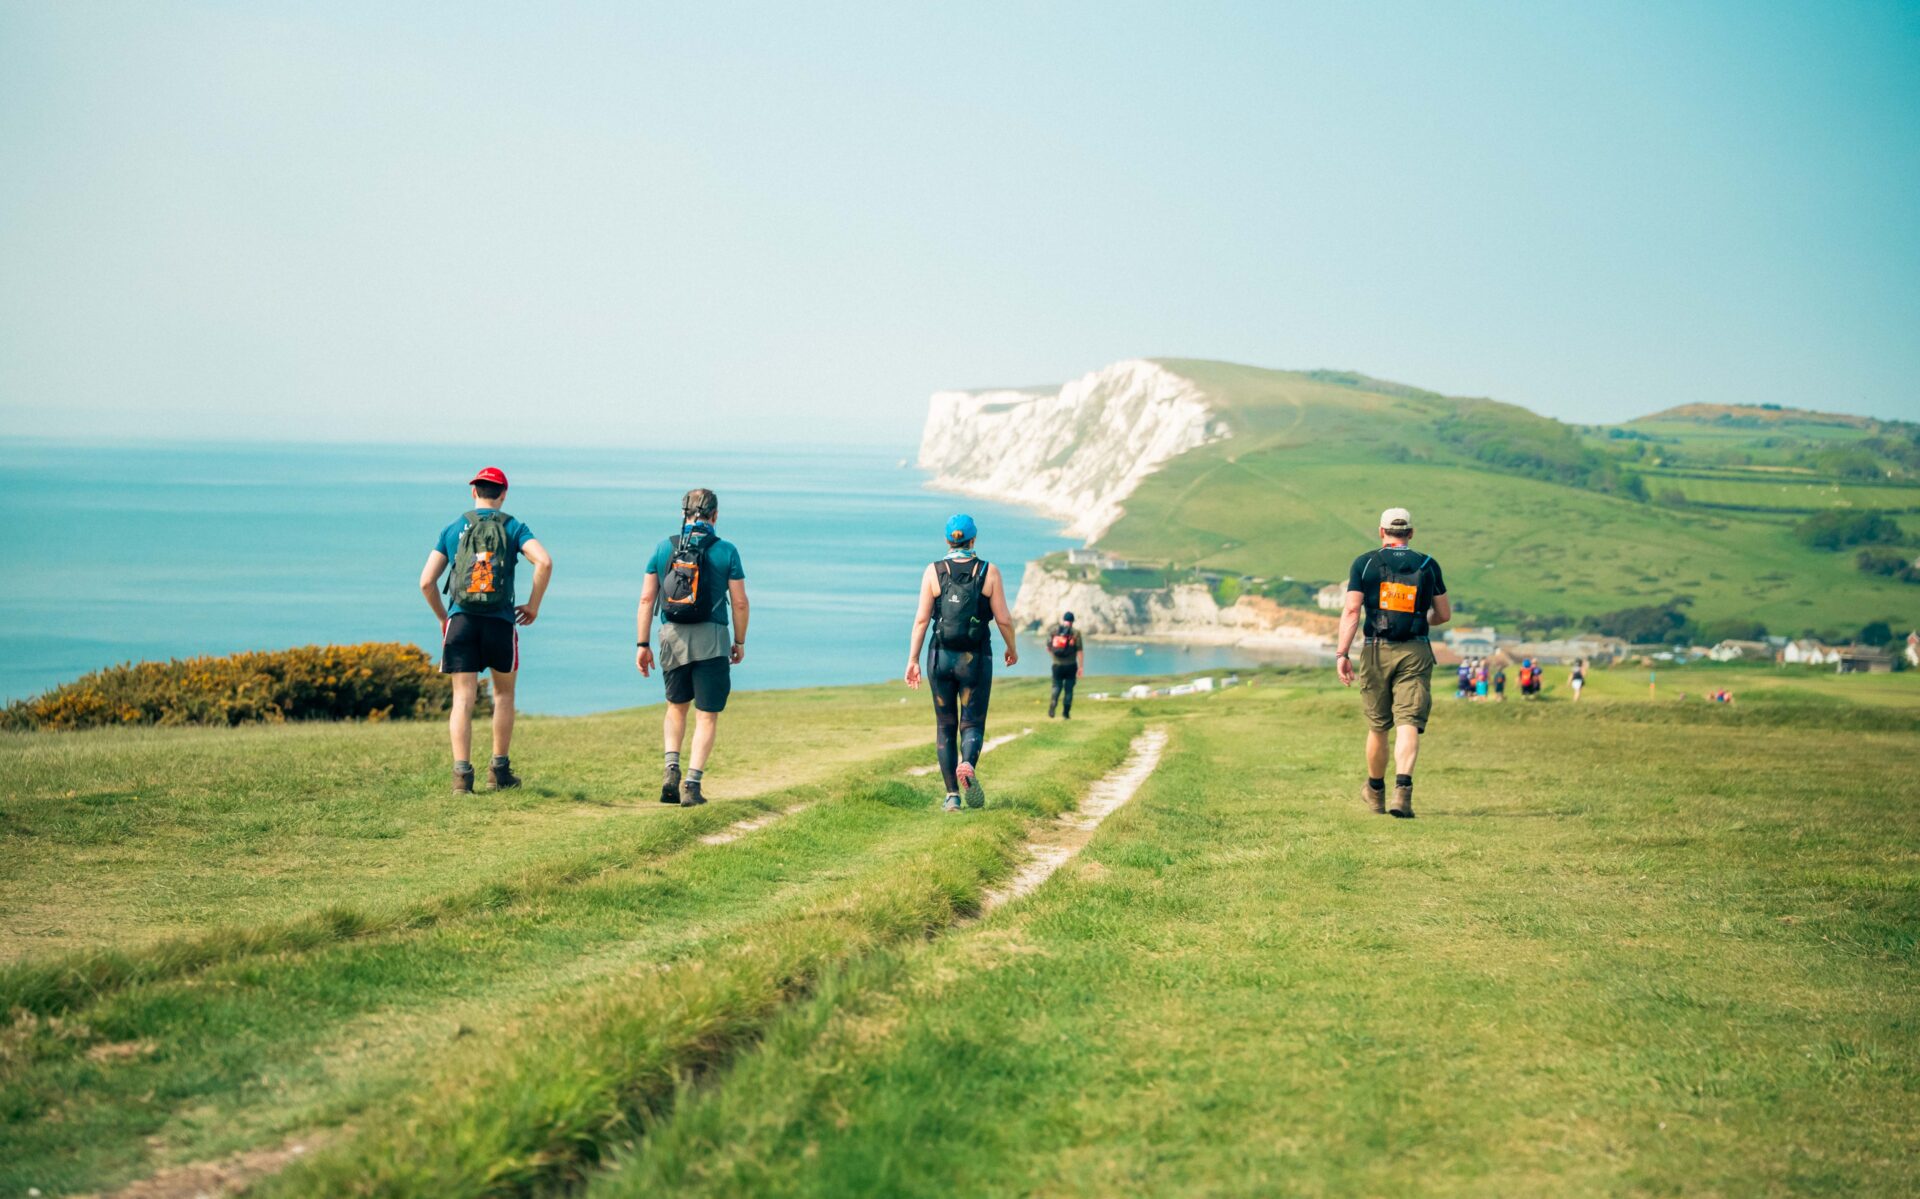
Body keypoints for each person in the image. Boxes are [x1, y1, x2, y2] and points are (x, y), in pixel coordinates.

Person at [419, 466, 553, 794]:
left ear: (473, 492)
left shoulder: (453, 529)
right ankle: (499, 771)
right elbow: (545, 562)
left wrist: (443, 618)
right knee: (504, 695)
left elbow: (426, 583)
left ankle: (462, 777)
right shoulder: (514, 527)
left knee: (463, 698)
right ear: (504, 494)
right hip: (500, 621)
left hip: (460, 622)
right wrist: (533, 605)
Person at [635, 488, 748, 808]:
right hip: (713, 639)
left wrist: (642, 644)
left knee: (676, 707)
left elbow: (646, 599)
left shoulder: (662, 548)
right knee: (707, 715)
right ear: (715, 515)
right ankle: (692, 785)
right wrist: (739, 641)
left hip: (672, 637)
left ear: (683, 513)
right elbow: (739, 602)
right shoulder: (726, 550)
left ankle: (671, 767)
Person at [1335, 506, 1451, 818]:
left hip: (1375, 650)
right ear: (1411, 533)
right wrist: (1420, 618)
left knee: (1378, 726)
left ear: (1381, 531)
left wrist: (1342, 654)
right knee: (1408, 721)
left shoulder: (1366, 563)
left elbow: (1351, 611)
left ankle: (1375, 792)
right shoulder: (1428, 564)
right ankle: (1403, 794)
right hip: (1416, 649)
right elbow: (1443, 614)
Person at [905, 514, 1018, 811]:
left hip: (939, 657)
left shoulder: (934, 571)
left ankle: (952, 796)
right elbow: (1004, 618)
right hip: (975, 658)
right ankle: (967, 763)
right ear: (973, 540)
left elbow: (920, 619)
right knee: (972, 722)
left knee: (945, 725)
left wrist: (913, 659)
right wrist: (1012, 647)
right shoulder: (988, 571)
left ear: (947, 541)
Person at [1046, 611, 1086, 719]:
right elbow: (1079, 651)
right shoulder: (1076, 633)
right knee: (1069, 690)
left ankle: (1053, 703)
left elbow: (1048, 648)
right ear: (1072, 621)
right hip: (1071, 665)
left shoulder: (1054, 631)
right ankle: (1066, 713)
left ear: (1064, 620)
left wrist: (1054, 658)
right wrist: (1081, 666)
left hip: (1056, 665)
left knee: (1056, 686)